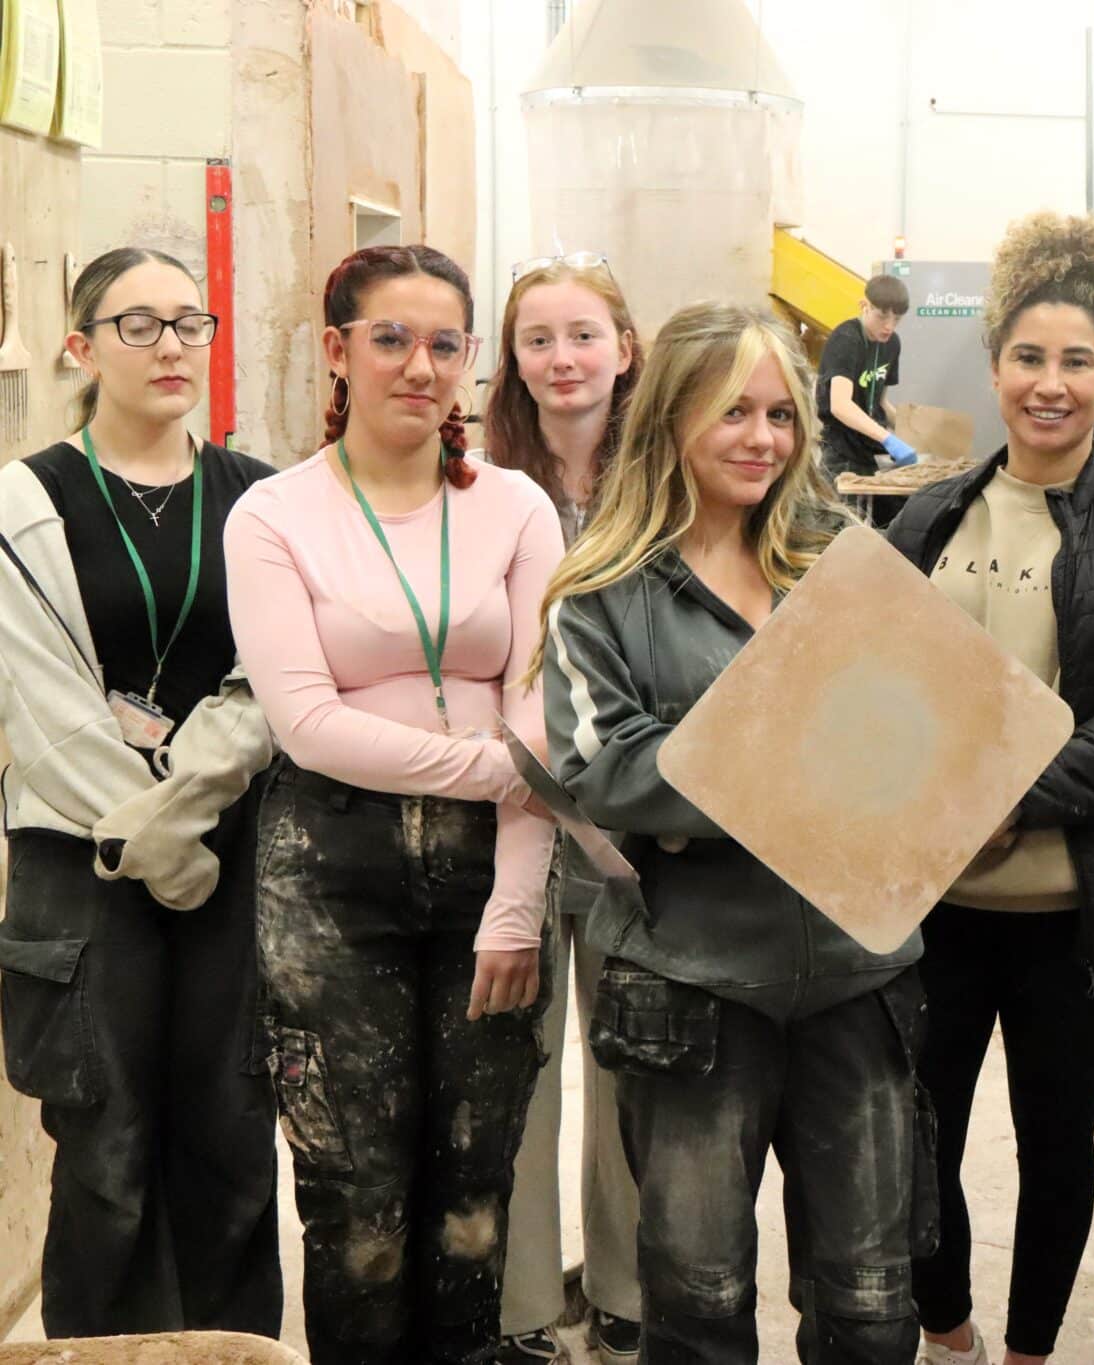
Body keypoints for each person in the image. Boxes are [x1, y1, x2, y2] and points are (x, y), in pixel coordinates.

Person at [539, 301, 926, 1365]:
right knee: (699, 1305)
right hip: (690, 989)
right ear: (668, 421)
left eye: (780, 415)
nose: (763, 439)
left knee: (870, 1305)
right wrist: (810, 760)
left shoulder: (837, 556)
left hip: (859, 973)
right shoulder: (598, 592)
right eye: (731, 414)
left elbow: (917, 733)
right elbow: (608, 773)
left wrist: (710, 781)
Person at [888, 212, 1094, 1365]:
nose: (1049, 383)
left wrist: (1010, 802)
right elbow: (877, 698)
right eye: (1028, 358)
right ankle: (949, 1332)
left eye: (1076, 361)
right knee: (915, 1138)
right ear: (994, 370)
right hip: (932, 908)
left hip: (1081, 910)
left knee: (1055, 1138)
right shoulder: (927, 519)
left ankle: (1028, 1351)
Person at [225, 244, 564, 1365]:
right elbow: (306, 721)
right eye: (390, 340)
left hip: (491, 866)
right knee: (357, 1204)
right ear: (336, 351)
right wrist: (492, 763)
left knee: (473, 1195)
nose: (420, 367)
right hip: (331, 868)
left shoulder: (517, 507)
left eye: (444, 344)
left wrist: (516, 905)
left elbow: (539, 709)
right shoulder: (274, 515)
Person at [0, 246, 280, 1339]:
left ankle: (235, 1353)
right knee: (105, 1156)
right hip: (82, 866)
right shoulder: (24, 503)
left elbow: (270, 682)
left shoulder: (258, 498)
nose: (171, 347)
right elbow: (49, 712)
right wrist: (154, 832)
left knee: (230, 1142)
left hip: (231, 859)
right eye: (137, 325)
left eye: (189, 323)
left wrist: (185, 809)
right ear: (80, 347)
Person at [484, 252, 645, 1365]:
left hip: (636, 823)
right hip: (511, 817)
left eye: (582, 334)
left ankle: (633, 1289)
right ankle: (527, 1304)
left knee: (636, 1070)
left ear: (625, 348)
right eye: (536, 339)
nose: (560, 358)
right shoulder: (473, 480)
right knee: (519, 1071)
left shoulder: (669, 476)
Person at [817, 275, 915, 525]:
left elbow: (880, 401)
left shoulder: (892, 344)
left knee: (890, 525)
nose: (889, 326)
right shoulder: (846, 339)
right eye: (882, 316)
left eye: (897, 319)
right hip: (841, 450)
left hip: (871, 451)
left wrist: (910, 435)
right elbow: (840, 405)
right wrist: (887, 438)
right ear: (865, 306)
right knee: (840, 527)